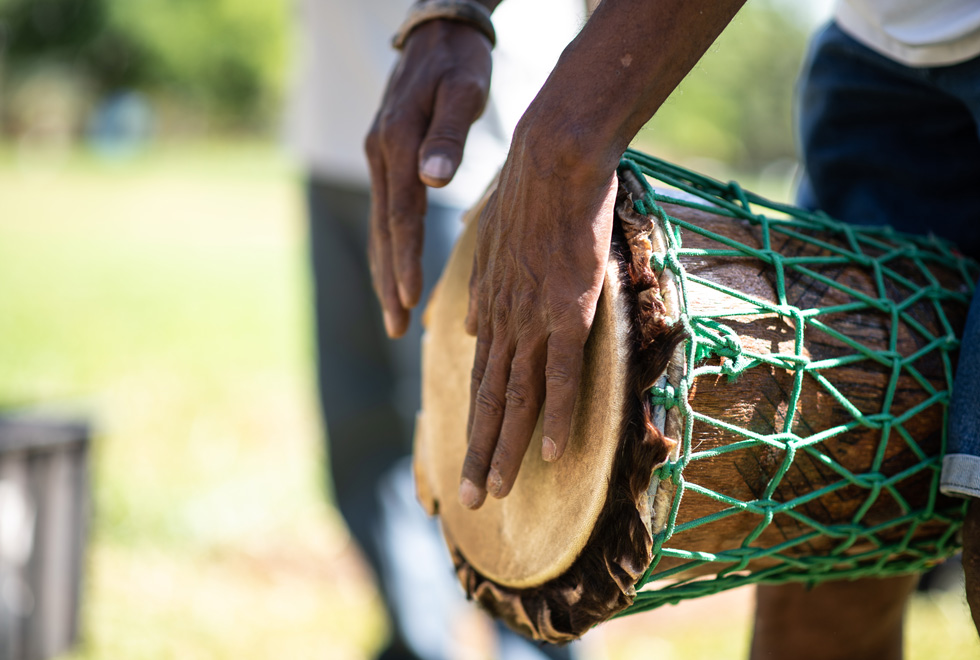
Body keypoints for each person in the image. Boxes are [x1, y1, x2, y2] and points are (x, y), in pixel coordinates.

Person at [364, 0, 980, 656]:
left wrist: (565, 141)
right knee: (820, 592)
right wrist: (452, 13)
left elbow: (570, 141)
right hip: (882, 59)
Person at [286, 0, 586, 658]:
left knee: (498, 465)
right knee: (367, 439)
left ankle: (537, 651)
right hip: (336, 130)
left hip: (471, 144)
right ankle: (420, 640)